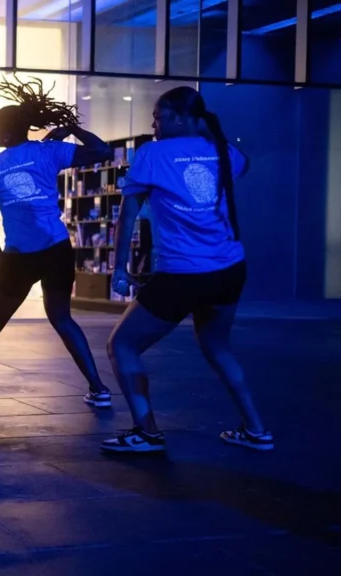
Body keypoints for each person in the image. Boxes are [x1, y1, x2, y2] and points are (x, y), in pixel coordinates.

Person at [102, 86, 272, 453]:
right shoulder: (223, 151)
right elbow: (245, 162)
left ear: (181, 118)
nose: (154, 124)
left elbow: (129, 214)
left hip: (182, 275)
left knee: (123, 345)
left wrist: (119, 268)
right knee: (218, 348)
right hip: (228, 271)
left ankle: (146, 431)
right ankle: (256, 430)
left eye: (159, 117)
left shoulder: (152, 154)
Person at [0, 76, 114, 416]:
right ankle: (99, 388)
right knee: (62, 318)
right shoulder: (48, 151)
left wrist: (2, 263)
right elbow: (103, 151)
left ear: (5, 133)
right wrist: (73, 128)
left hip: (19, 257)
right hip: (59, 249)